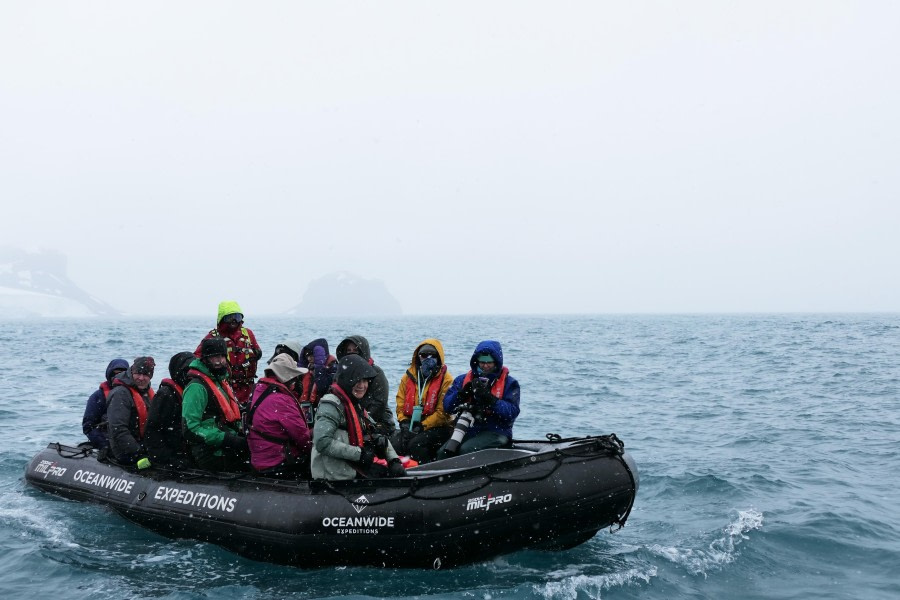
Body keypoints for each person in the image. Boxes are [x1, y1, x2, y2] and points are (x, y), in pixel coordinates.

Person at [311, 354, 407, 481]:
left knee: (393, 473)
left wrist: (393, 460)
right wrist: (359, 454)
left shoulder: (356, 404)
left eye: (365, 380)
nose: (362, 385)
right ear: (346, 380)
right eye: (357, 380)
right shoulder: (330, 404)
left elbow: (375, 433)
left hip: (353, 468)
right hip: (332, 474)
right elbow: (322, 442)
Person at [438, 340, 520, 459]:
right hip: (468, 428)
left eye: (489, 362)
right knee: (444, 453)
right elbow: (448, 407)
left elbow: (512, 412)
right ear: (476, 361)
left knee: (467, 450)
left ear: (496, 362)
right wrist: (462, 394)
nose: (485, 366)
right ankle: (442, 476)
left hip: (497, 431)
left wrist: (490, 399)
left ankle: (469, 476)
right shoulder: (462, 380)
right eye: (482, 362)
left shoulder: (509, 383)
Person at [183, 337, 249, 472]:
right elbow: (190, 429)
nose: (219, 361)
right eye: (214, 357)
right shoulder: (196, 387)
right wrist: (225, 439)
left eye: (222, 357)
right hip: (209, 452)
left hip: (227, 443)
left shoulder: (221, 381)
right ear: (205, 360)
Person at [246, 354, 312, 477]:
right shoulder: (282, 400)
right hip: (278, 462)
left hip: (258, 459)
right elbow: (302, 437)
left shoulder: (258, 389)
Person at [391, 339, 454, 463]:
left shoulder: (446, 380)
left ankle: (426, 472)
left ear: (439, 358)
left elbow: (443, 413)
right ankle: (400, 473)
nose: (427, 359)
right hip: (411, 424)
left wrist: (422, 426)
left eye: (433, 356)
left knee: (416, 444)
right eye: (424, 355)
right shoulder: (407, 377)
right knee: (395, 444)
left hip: (439, 427)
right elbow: (400, 404)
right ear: (418, 357)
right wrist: (404, 423)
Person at [194, 300, 262, 405]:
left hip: (248, 390)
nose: (234, 320)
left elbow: (257, 353)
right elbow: (197, 360)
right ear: (222, 319)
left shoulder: (248, 334)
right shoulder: (213, 337)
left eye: (237, 317)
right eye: (230, 317)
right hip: (224, 390)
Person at [143, 351, 195, 468]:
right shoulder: (166, 395)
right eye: (187, 371)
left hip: (186, 452)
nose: (190, 375)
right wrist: (166, 459)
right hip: (170, 454)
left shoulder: (195, 391)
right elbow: (152, 430)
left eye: (194, 371)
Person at [336, 335, 395, 435]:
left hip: (378, 421)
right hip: (353, 417)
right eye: (348, 351)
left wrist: (361, 420)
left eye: (355, 351)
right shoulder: (343, 373)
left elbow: (380, 402)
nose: (351, 354)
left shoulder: (376, 373)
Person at [107, 357, 156, 467]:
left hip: (143, 446)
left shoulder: (147, 392)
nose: (141, 378)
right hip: (125, 452)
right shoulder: (120, 394)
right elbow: (118, 429)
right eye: (138, 373)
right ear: (132, 372)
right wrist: (139, 453)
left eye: (146, 375)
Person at [81, 358, 128, 449]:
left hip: (128, 442)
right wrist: (105, 445)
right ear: (109, 375)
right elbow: (88, 426)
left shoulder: (132, 395)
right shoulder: (98, 397)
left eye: (123, 374)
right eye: (115, 374)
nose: (118, 378)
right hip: (107, 441)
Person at [297, 338, 337, 406]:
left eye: (312, 355)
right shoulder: (308, 370)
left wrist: (319, 366)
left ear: (320, 354)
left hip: (323, 407)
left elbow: (322, 387)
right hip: (308, 408)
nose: (309, 359)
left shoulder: (333, 368)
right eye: (307, 356)